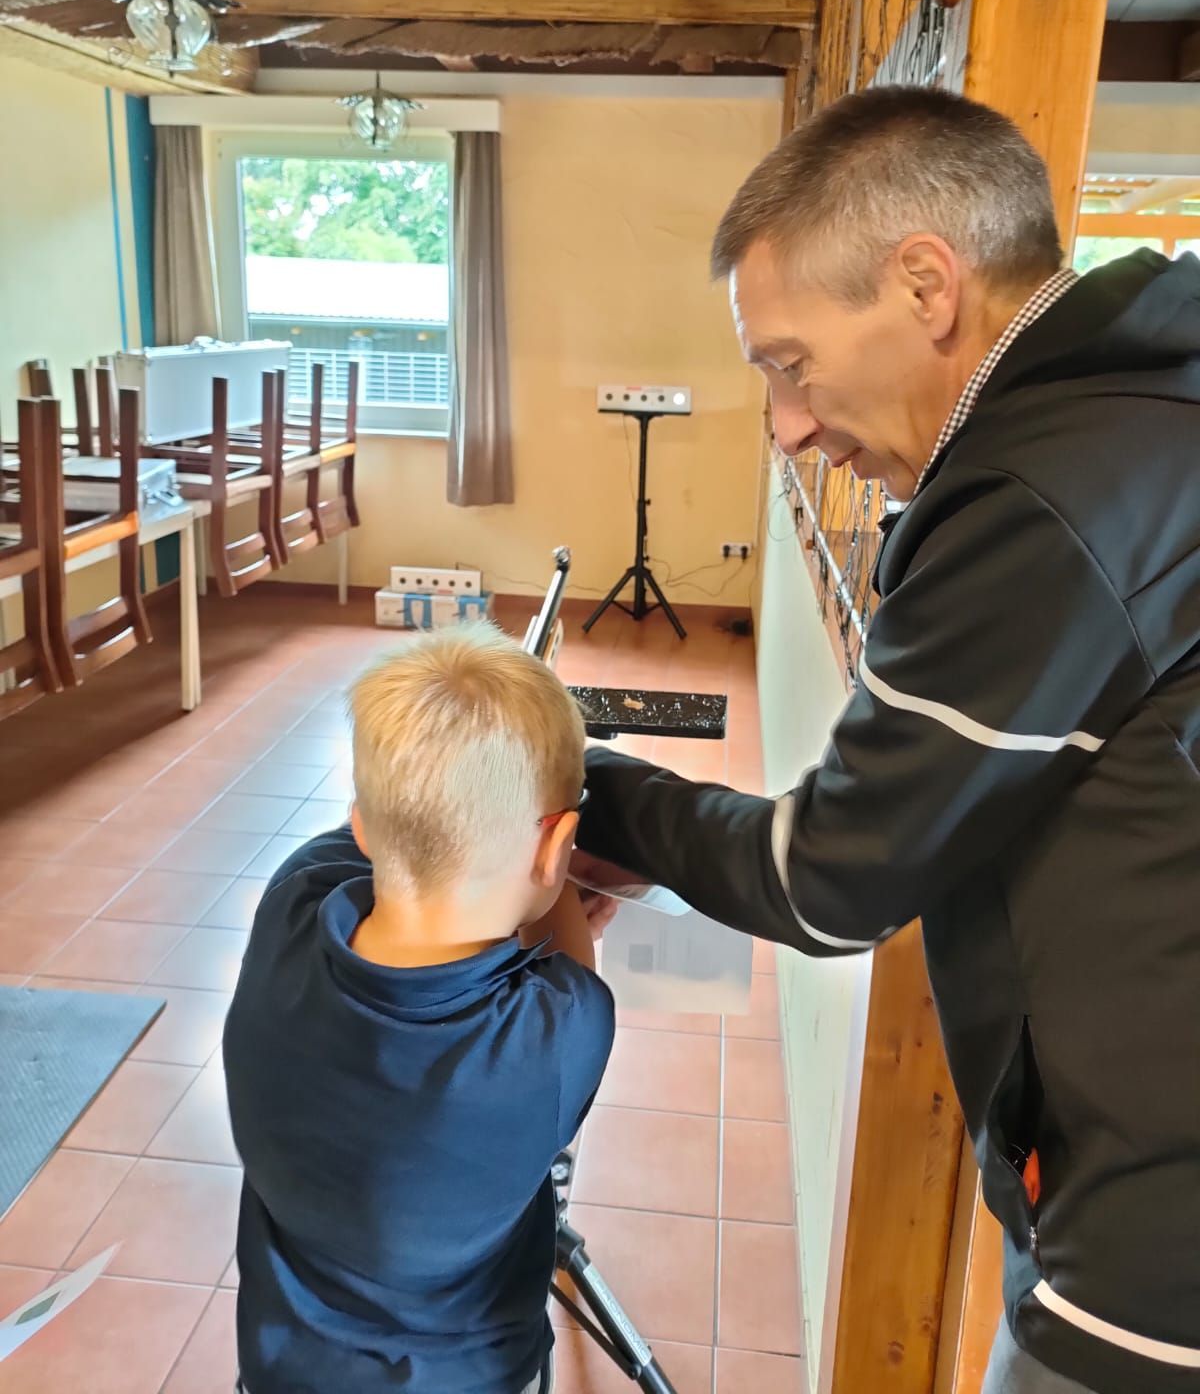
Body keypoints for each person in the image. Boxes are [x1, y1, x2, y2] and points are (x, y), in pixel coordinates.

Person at [573, 87, 1200, 1394]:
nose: (789, 427)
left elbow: (828, 879)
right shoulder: (1149, 396)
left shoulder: (1040, 496)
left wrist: (588, 789)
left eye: (791, 365)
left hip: (1155, 1241)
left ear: (925, 284)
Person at [224, 625, 614, 1394]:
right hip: (467, 1378)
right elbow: (567, 967)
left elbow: (391, 831)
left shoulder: (293, 902)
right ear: (556, 845)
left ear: (363, 824)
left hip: (284, 1368)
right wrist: (556, 888)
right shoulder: (554, 1037)